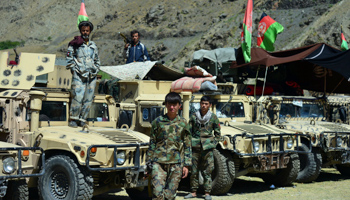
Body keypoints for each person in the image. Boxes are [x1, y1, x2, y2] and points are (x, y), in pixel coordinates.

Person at [145, 92, 192, 200]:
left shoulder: (183, 123)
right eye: (169, 104)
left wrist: (186, 165)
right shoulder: (158, 122)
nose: (172, 107)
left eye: (174, 104)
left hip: (176, 164)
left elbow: (187, 144)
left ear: (179, 105)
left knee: (170, 196)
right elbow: (152, 143)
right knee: (157, 194)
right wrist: (148, 163)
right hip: (158, 163)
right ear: (165, 104)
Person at [185, 96, 221, 200]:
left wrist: (213, 144)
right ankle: (193, 192)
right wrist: (189, 143)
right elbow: (188, 131)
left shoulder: (213, 117)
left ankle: (207, 193)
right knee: (194, 170)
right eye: (202, 103)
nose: (204, 105)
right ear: (200, 104)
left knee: (208, 170)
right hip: (195, 147)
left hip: (207, 148)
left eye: (206, 103)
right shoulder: (194, 116)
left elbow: (218, 133)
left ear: (209, 105)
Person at [66, 21, 100, 127]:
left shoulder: (93, 45)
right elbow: (69, 57)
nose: (85, 32)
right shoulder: (75, 44)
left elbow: (97, 59)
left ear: (90, 32)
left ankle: (82, 119)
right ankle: (73, 118)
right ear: (80, 31)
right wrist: (72, 68)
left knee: (88, 98)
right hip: (79, 74)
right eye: (83, 30)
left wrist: (96, 68)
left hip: (91, 75)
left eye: (87, 30)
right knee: (78, 96)